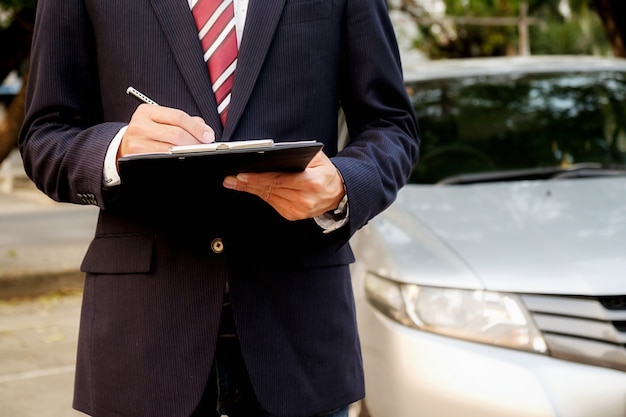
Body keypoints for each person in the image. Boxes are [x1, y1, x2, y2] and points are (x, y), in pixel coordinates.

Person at [19, 0, 419, 416]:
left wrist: (342, 185)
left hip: (300, 342)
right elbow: (44, 137)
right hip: (142, 346)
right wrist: (116, 148)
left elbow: (391, 125)